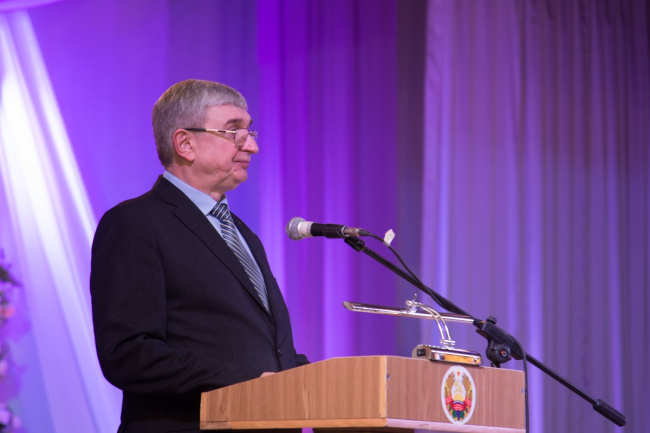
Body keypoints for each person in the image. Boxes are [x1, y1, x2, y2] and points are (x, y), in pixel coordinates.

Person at [90, 79, 308, 433]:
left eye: (250, 132)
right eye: (234, 131)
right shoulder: (135, 223)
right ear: (185, 143)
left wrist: (329, 382)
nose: (251, 145)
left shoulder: (245, 236)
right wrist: (249, 381)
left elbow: (269, 349)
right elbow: (128, 353)